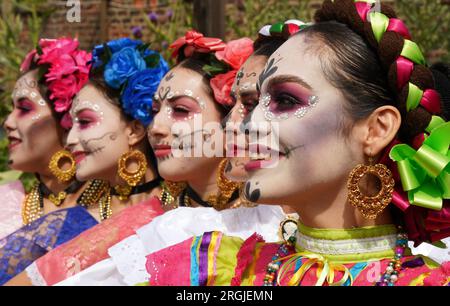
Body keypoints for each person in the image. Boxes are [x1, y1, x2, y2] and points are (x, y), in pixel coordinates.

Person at [144, 0, 450, 286]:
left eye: (285, 100)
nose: (249, 124)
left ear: (376, 129)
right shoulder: (216, 270)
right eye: (257, 102)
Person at [54, 31, 288, 286]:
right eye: (155, 111)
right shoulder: (161, 223)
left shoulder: (280, 215)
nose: (155, 127)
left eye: (180, 110)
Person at [5, 38, 169, 286]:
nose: (70, 139)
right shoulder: (72, 224)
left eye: (84, 122)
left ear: (135, 129)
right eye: (71, 125)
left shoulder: (191, 209)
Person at [0, 37, 104, 285]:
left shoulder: (118, 205)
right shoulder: (7, 205)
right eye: (12, 109)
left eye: (25, 108)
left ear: (69, 117)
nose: (8, 122)